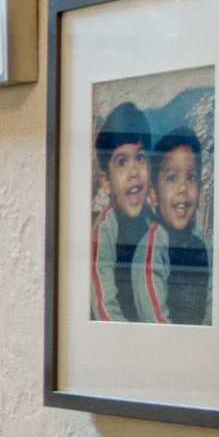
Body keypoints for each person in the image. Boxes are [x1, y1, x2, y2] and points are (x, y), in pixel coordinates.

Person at [91, 103, 159, 323]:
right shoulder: (105, 230)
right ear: (106, 182)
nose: (133, 172)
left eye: (140, 158)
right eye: (122, 162)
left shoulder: (155, 223)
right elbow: (103, 303)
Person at [149, 124, 213, 326]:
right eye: (172, 178)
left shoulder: (202, 248)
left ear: (200, 189)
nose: (183, 188)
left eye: (191, 177)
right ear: (153, 194)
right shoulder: (152, 249)